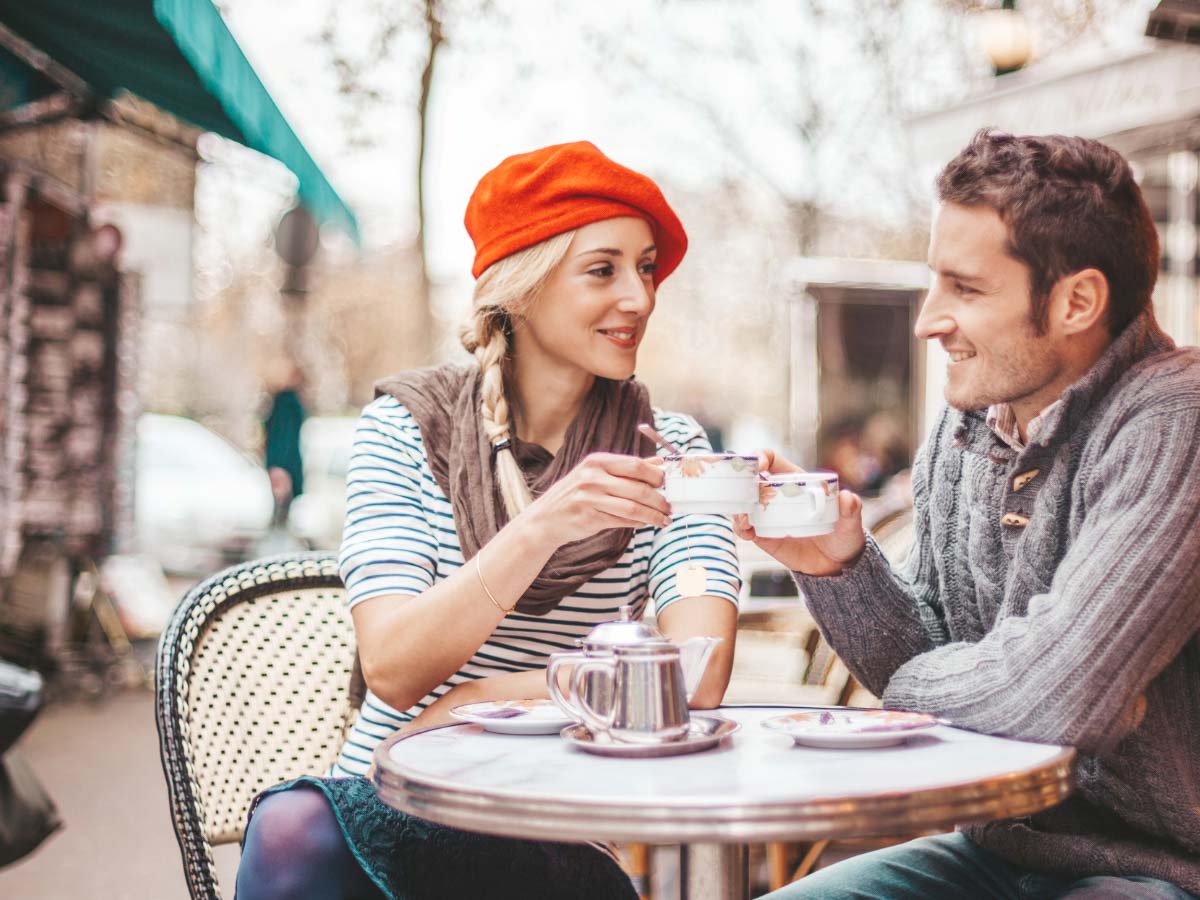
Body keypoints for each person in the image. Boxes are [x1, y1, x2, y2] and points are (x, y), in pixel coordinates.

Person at [235, 141, 741, 900]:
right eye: (603, 269)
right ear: (524, 288)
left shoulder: (672, 453)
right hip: (394, 795)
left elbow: (695, 677)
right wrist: (540, 529)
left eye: (645, 268)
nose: (639, 297)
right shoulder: (405, 430)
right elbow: (397, 667)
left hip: (550, 823)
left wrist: (479, 698)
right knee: (291, 825)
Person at [744, 130, 1200, 899]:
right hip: (995, 853)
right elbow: (957, 671)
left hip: (1161, 871)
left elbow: (1052, 700)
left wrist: (960, 690)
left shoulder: (1173, 424)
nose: (929, 320)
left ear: (1077, 301)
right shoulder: (967, 429)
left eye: (967, 288)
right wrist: (842, 571)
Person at [262, 362, 307, 527]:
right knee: (282, 510)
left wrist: (278, 464)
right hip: (285, 462)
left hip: (283, 461)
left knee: (281, 510)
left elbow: (283, 435)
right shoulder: (286, 401)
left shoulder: (286, 402)